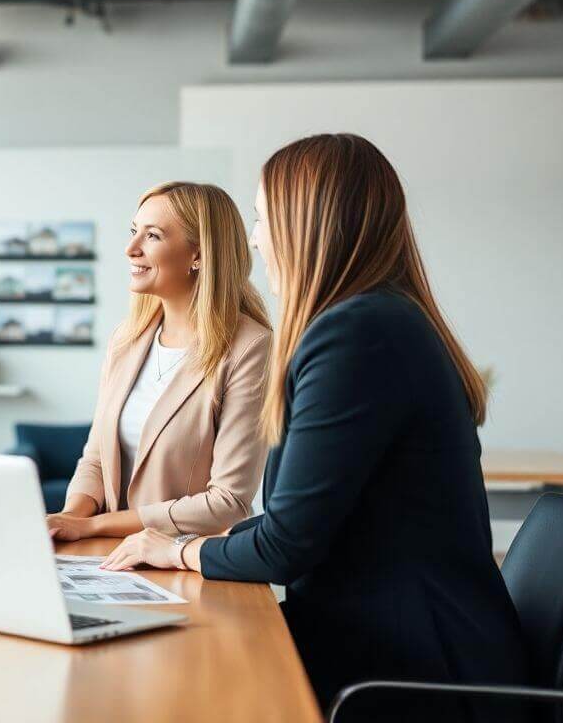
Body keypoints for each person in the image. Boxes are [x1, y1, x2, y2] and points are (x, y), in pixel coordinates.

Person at [101, 135, 532, 721]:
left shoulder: (357, 334)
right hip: (400, 647)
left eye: (260, 218)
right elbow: (302, 526)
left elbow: (286, 545)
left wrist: (176, 550)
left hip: (408, 675)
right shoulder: (381, 319)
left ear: (307, 224)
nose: (254, 238)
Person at [46, 181, 272, 541]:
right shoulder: (127, 338)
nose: (130, 249)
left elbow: (227, 502)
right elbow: (96, 459)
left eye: (152, 236)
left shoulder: (250, 347)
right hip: (106, 561)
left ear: (198, 254)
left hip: (184, 563)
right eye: (134, 232)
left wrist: (95, 525)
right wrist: (68, 519)